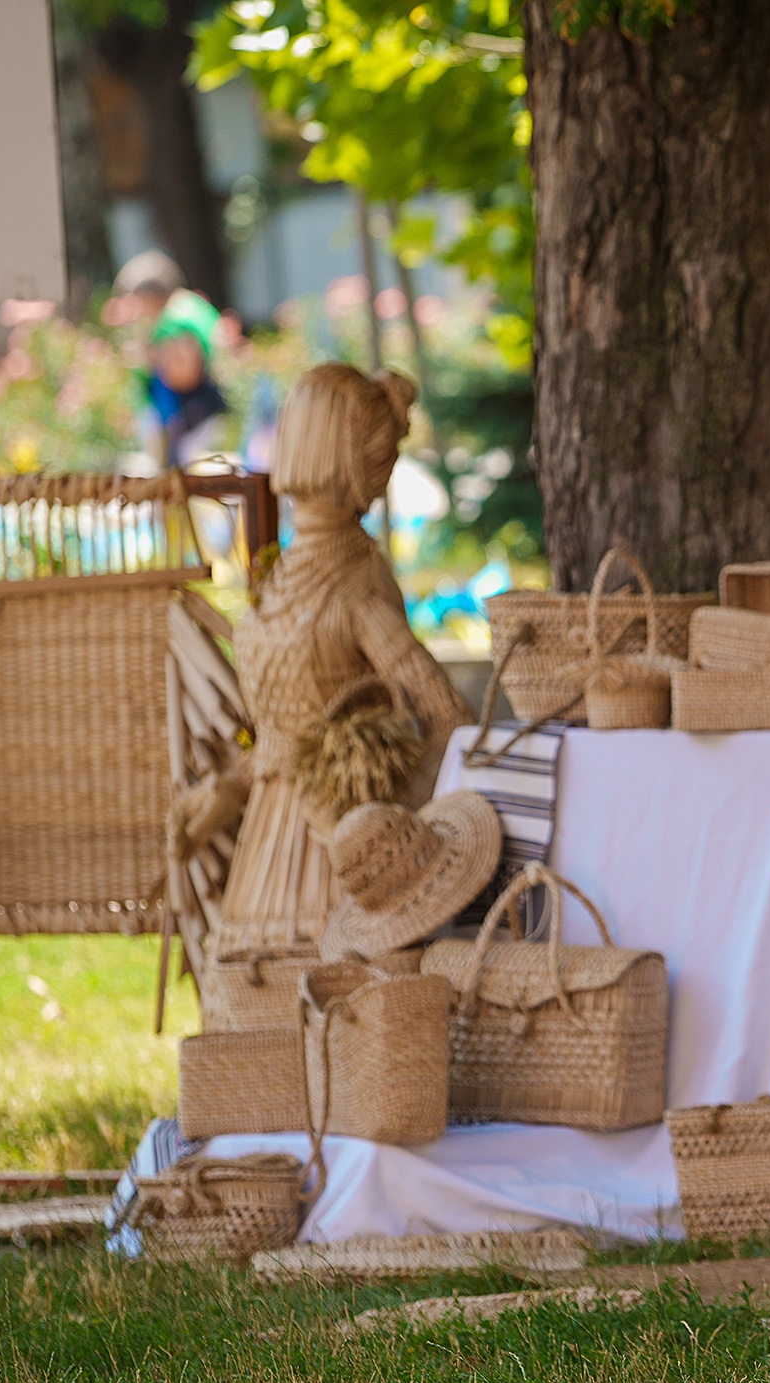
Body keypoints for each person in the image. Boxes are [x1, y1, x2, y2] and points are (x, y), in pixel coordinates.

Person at [170, 363, 474, 988]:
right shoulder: (280, 576)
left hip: (345, 846)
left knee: (339, 994)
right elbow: (288, 737)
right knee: (263, 1006)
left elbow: (445, 714)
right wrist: (229, 786)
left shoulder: (355, 581)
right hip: (270, 850)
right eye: (381, 457)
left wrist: (431, 826)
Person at [115, 250, 229, 467]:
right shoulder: (188, 307)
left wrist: (151, 359)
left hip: (192, 415)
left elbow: (186, 371)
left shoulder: (177, 318)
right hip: (196, 413)